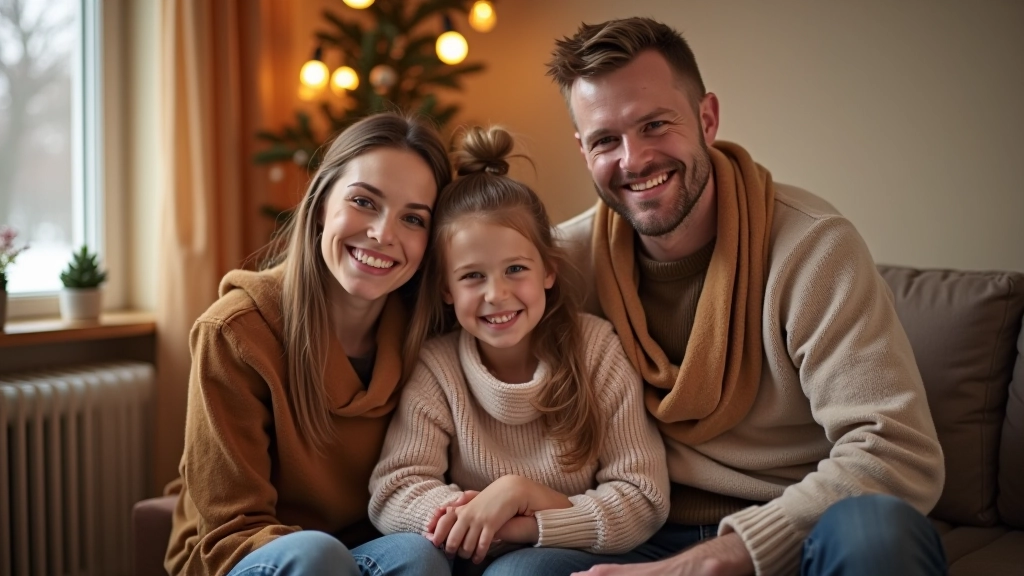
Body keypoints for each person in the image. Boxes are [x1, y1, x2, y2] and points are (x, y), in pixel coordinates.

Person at [545, 17, 948, 576]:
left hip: (800, 527)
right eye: (605, 140)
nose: (633, 160)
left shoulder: (813, 247)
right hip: (638, 529)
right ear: (582, 150)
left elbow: (897, 453)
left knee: (877, 537)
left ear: (707, 118)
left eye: (655, 124)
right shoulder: (559, 266)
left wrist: (712, 561)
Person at [366, 126, 671, 574]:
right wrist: (475, 516)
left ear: (548, 270)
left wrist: (522, 508)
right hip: (465, 554)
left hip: (565, 555)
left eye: (515, 269)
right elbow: (395, 488)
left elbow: (642, 498)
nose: (497, 294)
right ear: (446, 289)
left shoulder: (596, 349)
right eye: (472, 276)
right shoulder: (438, 366)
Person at [163, 113, 454, 576]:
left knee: (421, 557)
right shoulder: (234, 332)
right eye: (364, 201)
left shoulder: (429, 337)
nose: (383, 234)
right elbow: (230, 528)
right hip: (249, 552)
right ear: (320, 204)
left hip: (365, 552)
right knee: (317, 555)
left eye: (413, 219)